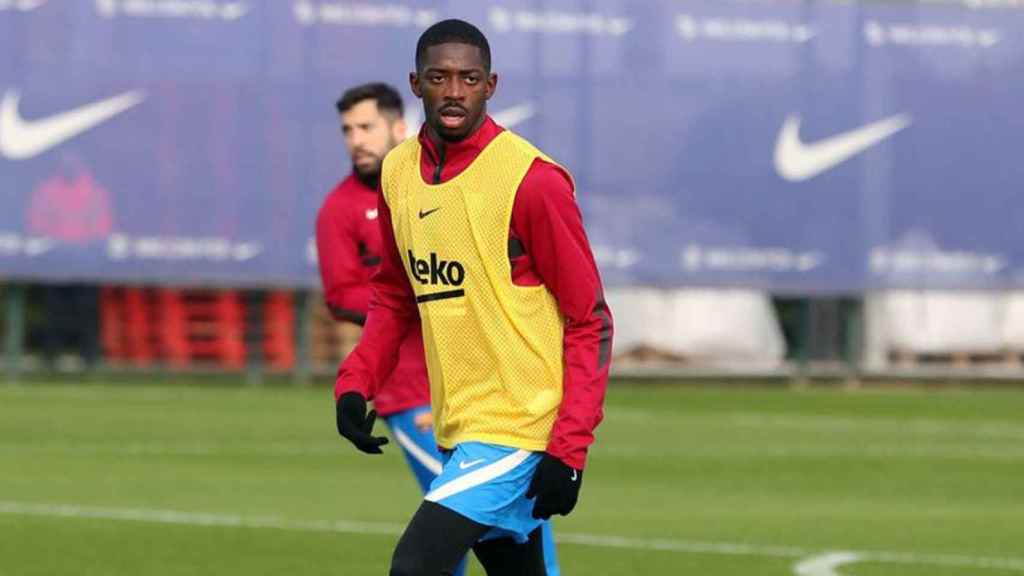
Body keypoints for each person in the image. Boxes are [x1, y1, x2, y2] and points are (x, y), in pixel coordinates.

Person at [333, 19, 612, 575]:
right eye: (440, 77)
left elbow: (591, 321)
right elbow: (393, 294)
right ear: (416, 85)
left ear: (492, 85)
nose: (454, 91)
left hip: (518, 429)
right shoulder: (398, 173)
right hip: (460, 427)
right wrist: (356, 383)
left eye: (469, 78)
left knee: (414, 567)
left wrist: (570, 448)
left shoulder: (532, 180)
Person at [318, 82, 563, 575]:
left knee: (439, 549)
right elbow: (357, 294)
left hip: (495, 399)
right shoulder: (342, 208)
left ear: (397, 125)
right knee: (450, 536)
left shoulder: (487, 180)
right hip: (411, 393)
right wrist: (421, 303)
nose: (356, 140)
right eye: (347, 130)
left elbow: (583, 312)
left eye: (366, 127)